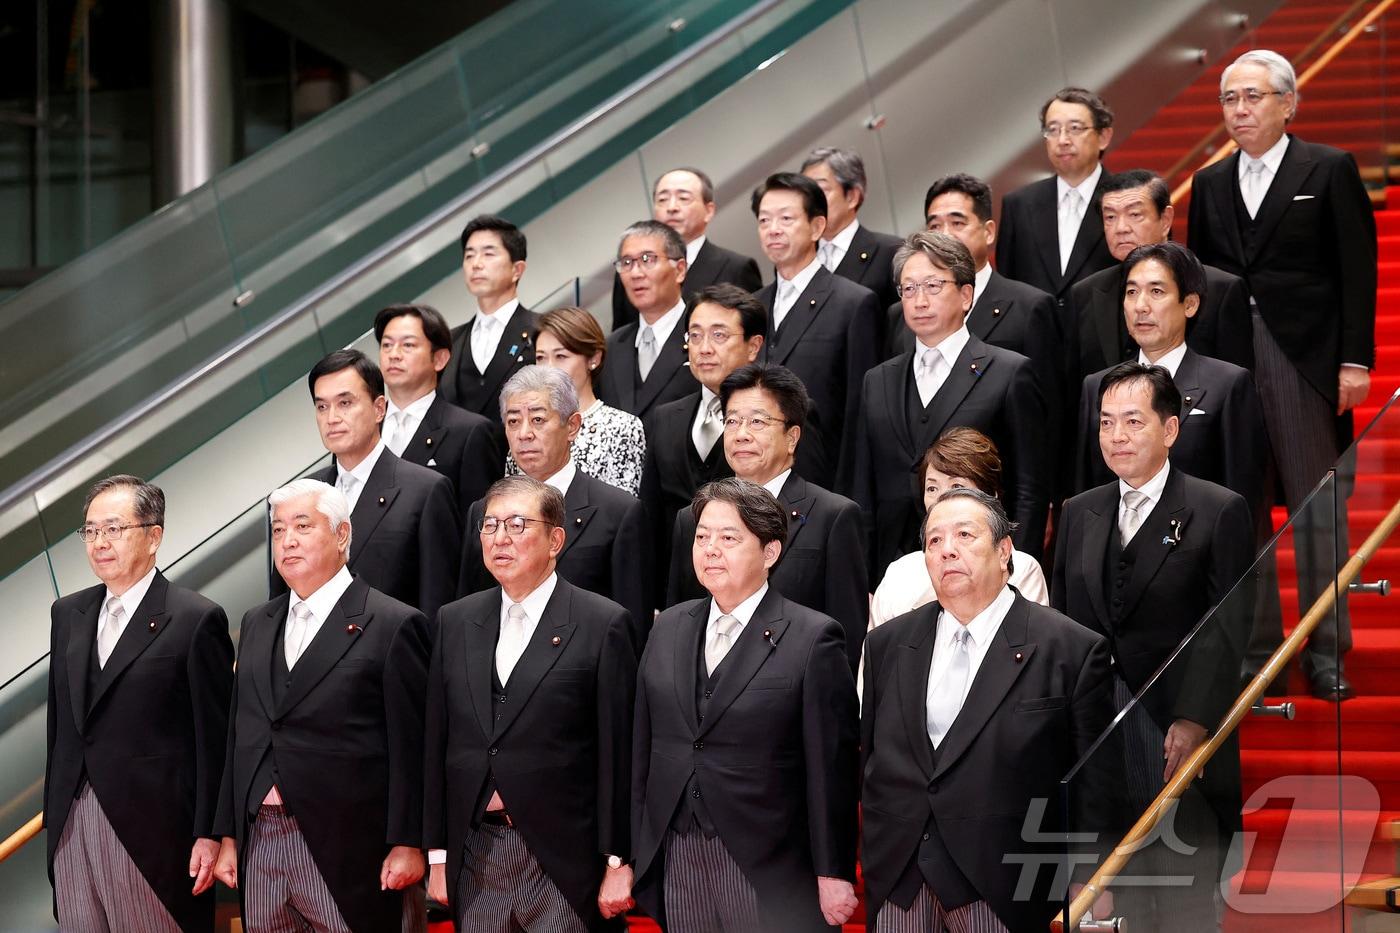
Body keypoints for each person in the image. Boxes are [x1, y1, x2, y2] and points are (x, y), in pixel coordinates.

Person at [1188, 49, 1377, 700]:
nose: (1240, 109)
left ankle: (1326, 651)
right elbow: (1201, 284)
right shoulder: (1209, 183)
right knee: (1241, 514)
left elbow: (1357, 269)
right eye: (1229, 99)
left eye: (1253, 96)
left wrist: (1354, 359)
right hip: (1231, 366)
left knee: (1319, 514)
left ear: (1289, 103)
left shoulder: (1327, 168)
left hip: (1305, 363)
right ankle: (1259, 650)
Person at [861, 488, 1121, 933]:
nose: (947, 550)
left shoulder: (1070, 648)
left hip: (1006, 883)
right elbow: (872, 760)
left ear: (1004, 552)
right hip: (900, 880)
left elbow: (1094, 782)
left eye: (964, 535)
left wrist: (1090, 875)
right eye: (934, 541)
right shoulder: (888, 643)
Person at [1053, 363, 1254, 931]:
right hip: (1099, 737)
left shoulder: (1218, 509)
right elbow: (1065, 624)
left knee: (1184, 898)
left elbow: (1227, 626)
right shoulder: (1078, 511)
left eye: (1133, 421)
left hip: (1175, 735)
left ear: (1170, 430)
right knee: (1116, 901)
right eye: (1106, 422)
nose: (1116, 435)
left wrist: (1194, 718)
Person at [632, 478, 860, 932]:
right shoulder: (668, 626)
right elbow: (644, 744)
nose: (710, 550)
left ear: (770, 552)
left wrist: (833, 869)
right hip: (677, 848)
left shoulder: (813, 637)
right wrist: (628, 853)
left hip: (769, 860)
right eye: (702, 537)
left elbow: (830, 766)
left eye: (728, 538)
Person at [213, 479, 430, 932]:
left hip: (351, 844)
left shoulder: (392, 622)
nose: (287, 540)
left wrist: (409, 841)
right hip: (262, 840)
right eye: (278, 530)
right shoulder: (257, 622)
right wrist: (228, 833)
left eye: (302, 526)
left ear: (341, 534)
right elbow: (239, 735)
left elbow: (413, 748)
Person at [425, 476, 637, 932]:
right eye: (490, 525)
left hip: (564, 860)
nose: (500, 537)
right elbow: (437, 742)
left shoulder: (602, 623)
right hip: (475, 854)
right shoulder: (455, 620)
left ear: (555, 540)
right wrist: (438, 855)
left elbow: (618, 753)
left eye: (518, 524)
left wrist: (618, 860)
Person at [45, 475, 234, 933]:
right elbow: (60, 726)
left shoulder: (194, 618)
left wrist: (211, 833)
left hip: (156, 832)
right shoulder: (68, 614)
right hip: (73, 825)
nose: (99, 542)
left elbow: (217, 743)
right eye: (90, 531)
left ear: (154, 537)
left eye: (114, 528)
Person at [851, 231, 1047, 579]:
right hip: (894, 567)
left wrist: (1015, 568)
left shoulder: (1008, 372)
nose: (919, 300)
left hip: (979, 564)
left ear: (966, 295)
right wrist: (865, 576)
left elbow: (1029, 488)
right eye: (909, 288)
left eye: (932, 286)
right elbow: (864, 489)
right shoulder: (877, 379)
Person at [666, 364, 868, 672]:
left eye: (757, 422)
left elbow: (846, 640)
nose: (741, 434)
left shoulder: (833, 517)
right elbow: (680, 624)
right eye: (732, 421)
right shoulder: (692, 518)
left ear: (792, 437)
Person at [460, 366, 650, 648]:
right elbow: (468, 611)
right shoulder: (483, 512)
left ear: (572, 426)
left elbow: (632, 630)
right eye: (513, 422)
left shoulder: (618, 513)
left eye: (538, 420)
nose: (524, 434)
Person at [1073, 243, 1268, 514]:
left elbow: (1243, 493)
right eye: (1131, 292)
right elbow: (1086, 492)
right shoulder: (1097, 385)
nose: (1141, 306)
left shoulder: (1228, 384)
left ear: (1190, 303)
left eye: (1156, 291)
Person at [287, 349, 461, 622]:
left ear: (379, 408)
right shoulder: (301, 496)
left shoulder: (426, 490)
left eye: (345, 403)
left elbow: (438, 607)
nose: (332, 418)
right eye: (322, 407)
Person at [889, 173, 1063, 423]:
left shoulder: (1029, 307)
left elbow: (1050, 408)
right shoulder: (901, 313)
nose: (945, 235)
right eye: (935, 226)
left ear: (989, 232)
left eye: (957, 223)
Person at [751, 172, 882, 490]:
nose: (773, 229)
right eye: (765, 220)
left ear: (817, 226)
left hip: (826, 480)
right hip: (759, 484)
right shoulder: (753, 306)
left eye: (786, 218)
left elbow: (860, 412)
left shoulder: (853, 302)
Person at [639, 284, 765, 603]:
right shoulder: (666, 417)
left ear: (753, 346)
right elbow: (651, 519)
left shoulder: (778, 417)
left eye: (719, 335)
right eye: (695, 336)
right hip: (679, 595)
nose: (704, 348)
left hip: (752, 591)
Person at [1070, 170, 1252, 382]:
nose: (1120, 228)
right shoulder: (1084, 293)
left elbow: (1237, 384)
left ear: (1165, 219)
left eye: (1134, 214)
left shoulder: (1220, 289)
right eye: (1110, 217)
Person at [869, 427, 1049, 633]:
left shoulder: (1022, 570)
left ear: (990, 496)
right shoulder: (900, 573)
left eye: (956, 487)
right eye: (932, 488)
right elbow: (878, 649)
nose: (941, 499)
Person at [375, 303, 503, 527]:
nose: (393, 354)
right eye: (386, 345)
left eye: (408, 345)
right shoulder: (363, 427)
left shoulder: (470, 432)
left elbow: (480, 525)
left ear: (440, 359)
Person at [995, 87, 1118, 310]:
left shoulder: (1125, 200)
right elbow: (1007, 286)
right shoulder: (1019, 204)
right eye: (1052, 130)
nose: (1062, 140)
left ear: (1103, 137)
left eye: (1075, 128)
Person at [507, 306, 646, 496]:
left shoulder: (622, 428)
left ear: (594, 358)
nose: (548, 368)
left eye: (561, 356)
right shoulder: (525, 430)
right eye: (540, 357)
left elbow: (623, 507)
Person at [610, 167, 762, 332]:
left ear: (709, 210)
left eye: (683, 198)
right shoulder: (631, 269)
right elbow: (622, 333)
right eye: (663, 199)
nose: (672, 207)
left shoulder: (736, 268)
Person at [439, 216, 541, 428]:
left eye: (488, 254)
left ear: (517, 270)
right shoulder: (449, 341)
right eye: (469, 255)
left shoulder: (541, 331)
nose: (476, 264)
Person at [597, 220, 701, 419]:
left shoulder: (702, 337)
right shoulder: (610, 347)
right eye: (627, 263)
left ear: (680, 270)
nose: (635, 273)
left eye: (648, 259)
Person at [801, 146, 903, 311]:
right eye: (805, 193)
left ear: (852, 197)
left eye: (821, 191)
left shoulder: (891, 252)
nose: (810, 201)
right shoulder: (800, 256)